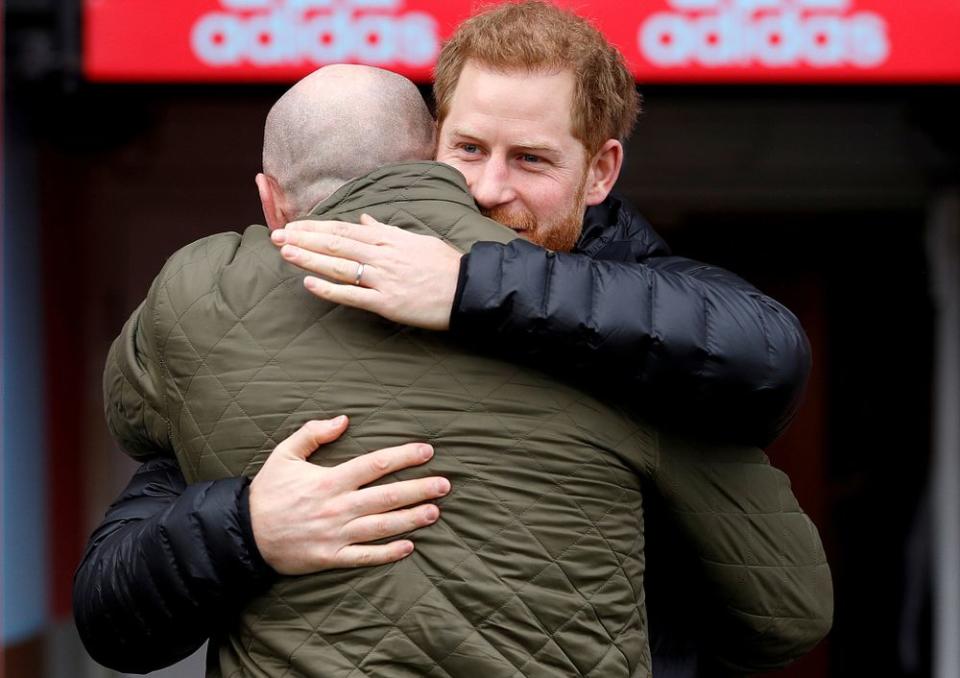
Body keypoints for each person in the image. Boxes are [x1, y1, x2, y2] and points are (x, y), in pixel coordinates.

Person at [75, 2, 827, 675]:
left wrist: (470, 291)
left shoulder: (647, 326)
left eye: (531, 159)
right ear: (428, 142)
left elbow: (768, 358)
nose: (489, 190)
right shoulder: (255, 320)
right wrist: (245, 527)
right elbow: (113, 616)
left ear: (600, 171)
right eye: (467, 150)